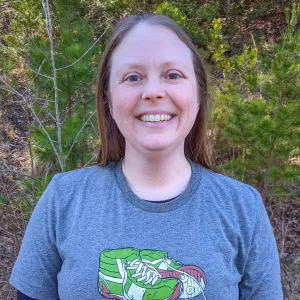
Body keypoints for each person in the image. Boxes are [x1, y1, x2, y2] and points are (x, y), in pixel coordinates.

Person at [10, 13, 283, 300]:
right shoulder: (63, 200)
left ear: (198, 94)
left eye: (173, 75)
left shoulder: (243, 208)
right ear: (109, 100)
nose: (153, 92)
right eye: (133, 77)